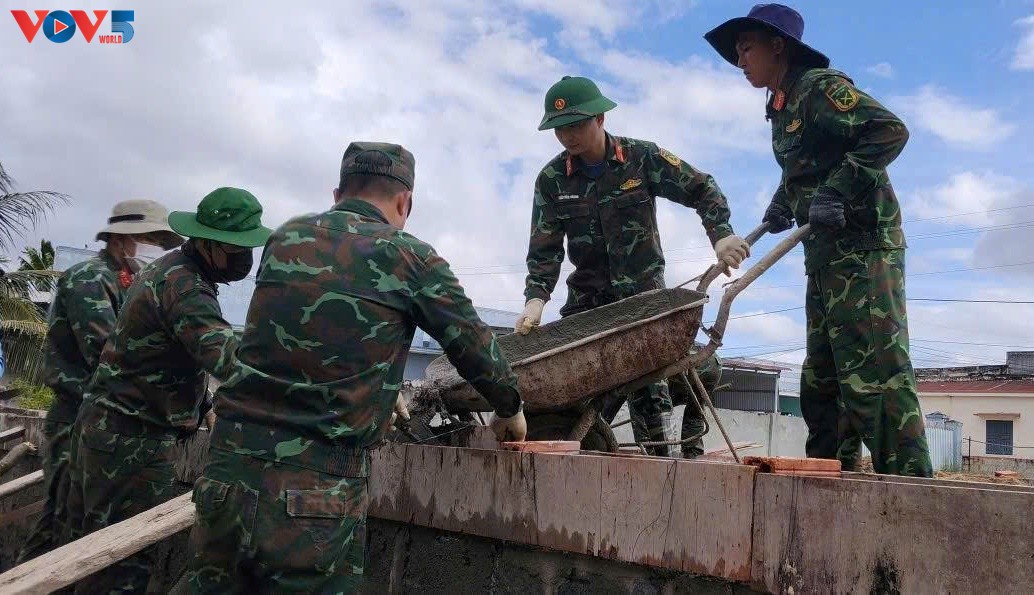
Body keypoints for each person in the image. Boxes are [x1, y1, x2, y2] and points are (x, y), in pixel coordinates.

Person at [182, 142, 525, 593]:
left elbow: (297, 341)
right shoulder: (411, 257)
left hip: (226, 474)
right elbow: (474, 345)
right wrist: (509, 406)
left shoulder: (285, 238)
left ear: (337, 192)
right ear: (405, 202)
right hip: (314, 490)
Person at [704, 3, 932, 476]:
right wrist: (784, 200)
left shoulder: (818, 87)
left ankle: (912, 491)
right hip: (825, 258)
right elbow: (808, 164)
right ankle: (829, 482)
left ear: (778, 46)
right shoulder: (782, 103)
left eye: (747, 48)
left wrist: (836, 190)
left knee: (873, 378)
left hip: (864, 252)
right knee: (823, 381)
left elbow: (889, 130)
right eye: (737, 52)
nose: (740, 59)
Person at [516, 75, 749, 457]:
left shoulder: (642, 159)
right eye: (559, 129)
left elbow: (702, 188)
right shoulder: (552, 180)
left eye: (576, 125)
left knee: (668, 383)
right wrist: (536, 299)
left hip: (644, 304)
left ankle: (670, 458)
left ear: (600, 119)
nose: (568, 137)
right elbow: (544, 250)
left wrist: (721, 234)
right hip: (589, 309)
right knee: (571, 400)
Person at [68, 188, 272, 593]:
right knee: (120, 569)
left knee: (103, 561)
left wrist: (205, 403)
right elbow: (230, 362)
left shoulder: (176, 270)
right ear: (210, 243)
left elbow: (165, 356)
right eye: (237, 249)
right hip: (130, 441)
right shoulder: (186, 287)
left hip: (115, 432)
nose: (244, 260)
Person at [17, 200, 183, 564]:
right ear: (122, 239)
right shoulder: (89, 278)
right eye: (146, 239)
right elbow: (108, 355)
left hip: (110, 420)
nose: (150, 248)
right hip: (78, 414)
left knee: (88, 525)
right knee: (62, 518)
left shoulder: (133, 278)